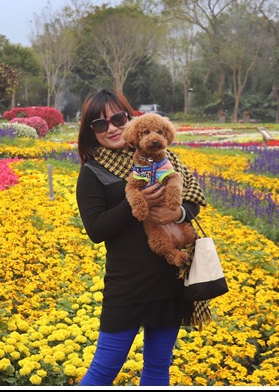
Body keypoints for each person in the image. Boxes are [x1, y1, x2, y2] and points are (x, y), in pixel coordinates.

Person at [75, 88, 207, 386]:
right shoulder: (93, 172)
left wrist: (178, 215)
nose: (111, 128)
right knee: (103, 370)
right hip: (127, 286)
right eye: (99, 124)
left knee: (159, 369)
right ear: (91, 131)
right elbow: (96, 230)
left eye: (117, 118)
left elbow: (194, 201)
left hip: (168, 278)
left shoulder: (164, 158)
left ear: (129, 117)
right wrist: (135, 202)